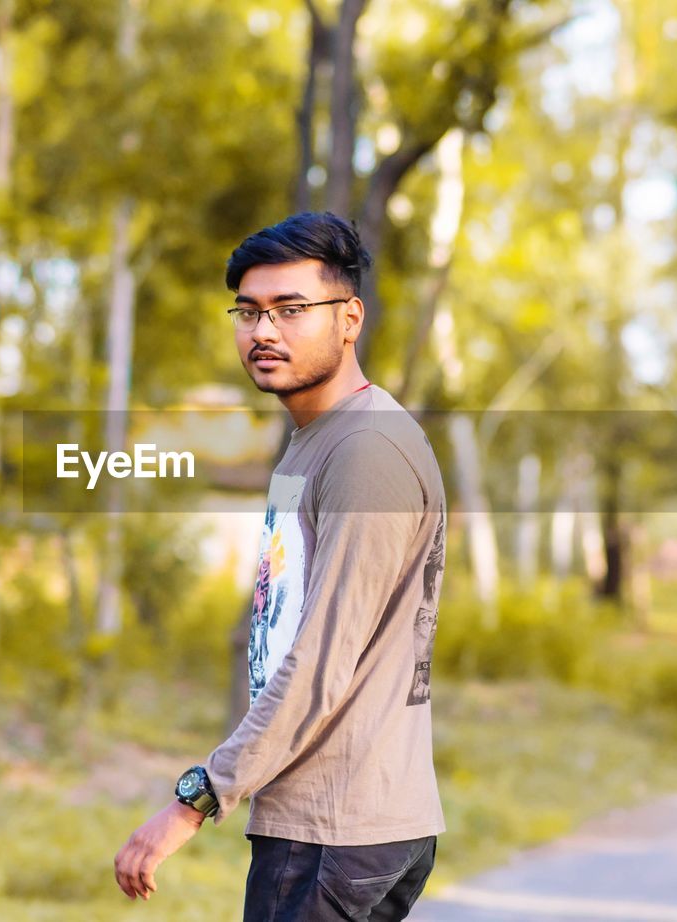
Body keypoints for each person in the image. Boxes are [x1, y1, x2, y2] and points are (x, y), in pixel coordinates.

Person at [113, 212, 447, 921]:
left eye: (292, 310)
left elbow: (323, 658)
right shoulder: (315, 439)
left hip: (336, 826)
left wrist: (196, 800)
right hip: (332, 818)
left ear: (350, 318)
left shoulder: (365, 452)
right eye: (250, 311)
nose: (264, 331)